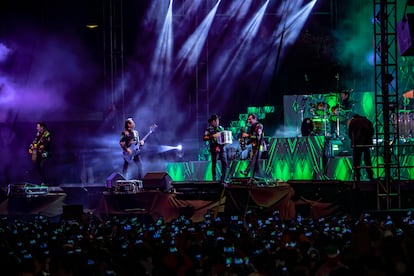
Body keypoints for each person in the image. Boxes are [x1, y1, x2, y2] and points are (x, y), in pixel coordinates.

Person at [348, 114, 375, 182]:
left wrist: (353, 140)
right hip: (366, 143)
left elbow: (349, 133)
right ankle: (370, 175)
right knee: (367, 160)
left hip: (356, 143)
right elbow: (372, 132)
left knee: (357, 160)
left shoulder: (353, 121)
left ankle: (357, 176)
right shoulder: (367, 121)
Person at [203, 114, 228, 182]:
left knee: (225, 163)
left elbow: (225, 138)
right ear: (213, 121)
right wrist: (212, 136)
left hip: (222, 149)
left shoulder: (221, 128)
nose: (217, 122)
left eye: (217, 120)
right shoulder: (209, 129)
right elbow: (204, 138)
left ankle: (223, 179)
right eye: (216, 120)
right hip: (214, 149)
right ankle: (214, 179)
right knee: (214, 164)